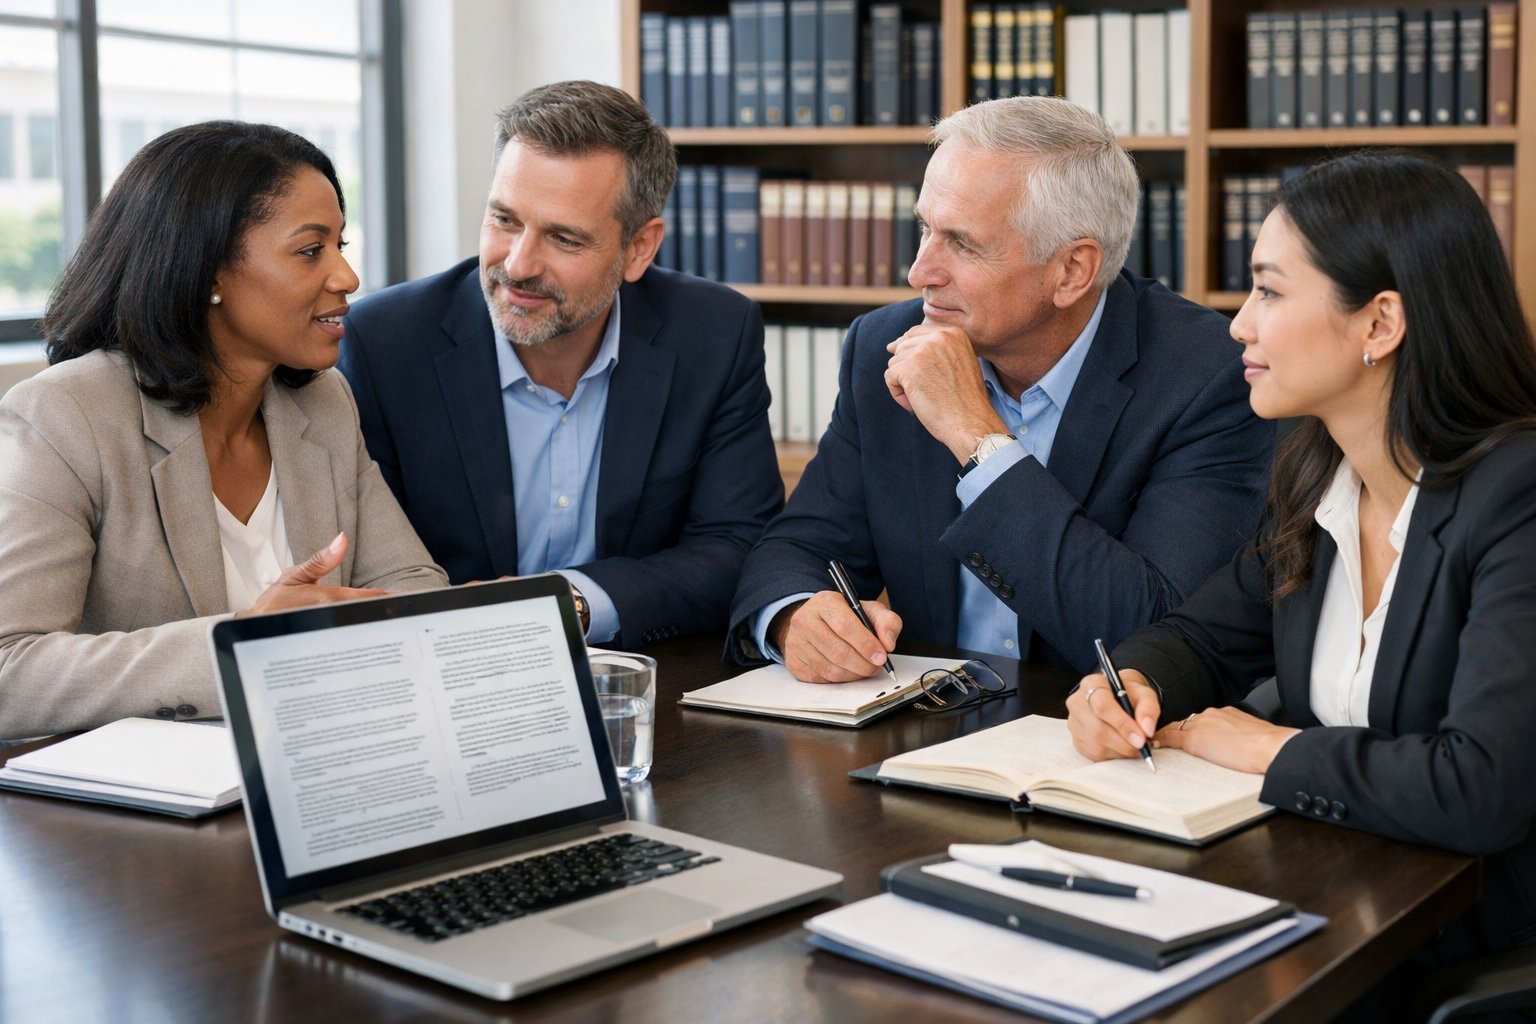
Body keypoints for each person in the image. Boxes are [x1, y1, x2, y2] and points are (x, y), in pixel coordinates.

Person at [1068, 152, 1536, 986]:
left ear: (1380, 324)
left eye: (1270, 292)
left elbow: (1482, 786)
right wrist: (1132, 682)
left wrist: (1269, 751)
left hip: (1464, 941)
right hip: (1332, 904)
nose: (1238, 325)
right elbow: (1201, 637)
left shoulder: (1517, 497)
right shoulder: (1319, 476)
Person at [729, 96, 1272, 681]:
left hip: (1099, 742)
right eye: (924, 229)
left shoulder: (1210, 375)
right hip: (927, 728)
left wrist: (976, 437)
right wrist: (793, 618)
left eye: (961, 243)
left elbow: (1155, 632)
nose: (919, 272)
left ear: (1072, 271)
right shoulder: (884, 345)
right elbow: (798, 549)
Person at [0, 121, 447, 743]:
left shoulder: (322, 402)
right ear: (208, 270)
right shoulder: (64, 415)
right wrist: (241, 645)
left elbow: (411, 586)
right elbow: (9, 673)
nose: (346, 277)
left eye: (342, 244)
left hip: (318, 775)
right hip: (139, 823)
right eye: (311, 250)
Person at [340, 80, 782, 648]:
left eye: (564, 238)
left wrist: (567, 604)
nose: (518, 265)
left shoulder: (715, 333)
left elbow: (738, 546)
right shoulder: (384, 344)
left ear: (640, 248)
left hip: (639, 680)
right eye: (504, 220)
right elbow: (361, 571)